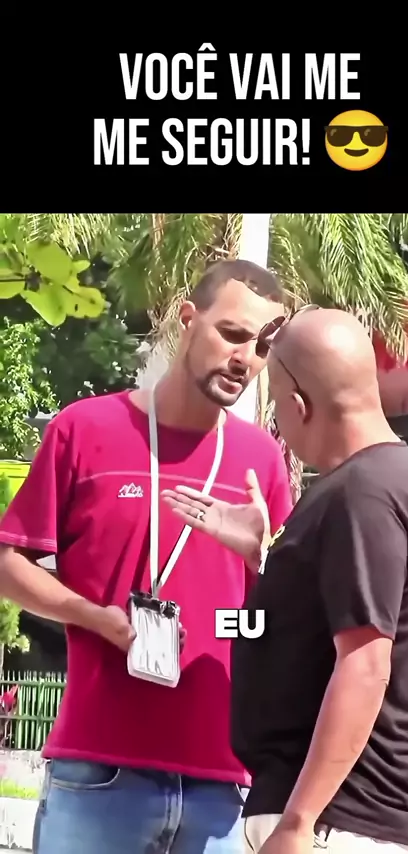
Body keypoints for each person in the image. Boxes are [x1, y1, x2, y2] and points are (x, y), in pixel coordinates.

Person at [0, 259, 293, 854]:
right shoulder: (84, 429)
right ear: (187, 319)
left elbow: (281, 625)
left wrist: (261, 558)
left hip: (221, 785)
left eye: (262, 346)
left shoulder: (261, 460)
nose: (245, 358)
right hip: (98, 769)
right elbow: (9, 565)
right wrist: (95, 618)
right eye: (232, 334)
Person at [162, 307, 408, 854]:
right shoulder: (388, 481)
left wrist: (299, 821)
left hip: (334, 820)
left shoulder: (363, 493)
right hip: (331, 814)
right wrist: (265, 556)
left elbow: (365, 663)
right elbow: (323, 623)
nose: (281, 428)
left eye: (277, 407)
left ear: (298, 405)